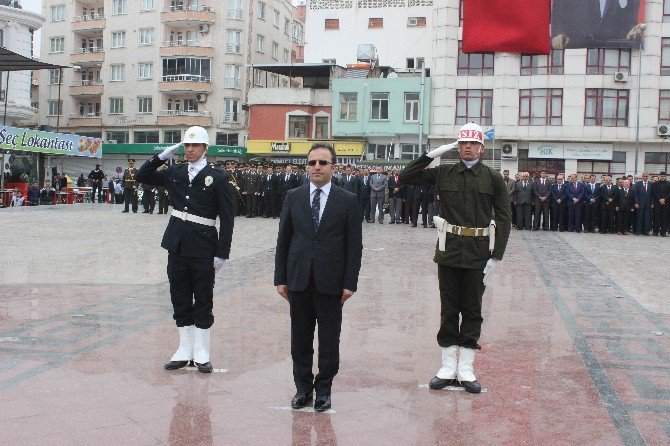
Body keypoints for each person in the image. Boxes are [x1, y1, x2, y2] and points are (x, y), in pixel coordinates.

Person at [399, 123, 512, 394]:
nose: (467, 147)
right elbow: (406, 176)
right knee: (449, 309)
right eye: (462, 143)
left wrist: (496, 257)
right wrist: (431, 154)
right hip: (449, 250)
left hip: (478, 253)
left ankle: (466, 368)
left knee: (472, 310)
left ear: (482, 148)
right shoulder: (444, 172)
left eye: (472, 144)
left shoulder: (493, 178)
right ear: (457, 147)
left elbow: (505, 217)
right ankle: (448, 367)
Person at [136, 126, 235, 373]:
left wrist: (222, 252)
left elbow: (228, 218)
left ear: (205, 148)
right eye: (187, 146)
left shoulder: (218, 177)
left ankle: (201, 352)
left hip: (203, 246)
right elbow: (141, 176)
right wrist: (160, 157)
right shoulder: (175, 172)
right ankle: (183, 349)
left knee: (202, 297)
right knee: (179, 296)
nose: (190, 150)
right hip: (177, 244)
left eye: (195, 146)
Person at [274, 143, 363, 412]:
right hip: (299, 279)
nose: (317, 167)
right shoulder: (294, 196)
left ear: (333, 167)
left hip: (331, 283)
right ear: (307, 166)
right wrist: (280, 278)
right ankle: (302, 388)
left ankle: (324, 389)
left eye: (323, 163)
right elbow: (284, 240)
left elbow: (354, 245)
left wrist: (350, 283)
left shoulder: (347, 200)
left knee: (328, 341)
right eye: (312, 163)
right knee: (300, 339)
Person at [551, 0, 642, 49]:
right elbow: (559, 11)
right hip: (573, 51)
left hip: (610, 53)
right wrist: (558, 33)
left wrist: (628, 35)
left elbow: (628, 22)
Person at [652, 172, 669, 236]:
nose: (662, 177)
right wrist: (659, 199)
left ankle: (663, 232)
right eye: (661, 176)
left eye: (664, 176)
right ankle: (655, 232)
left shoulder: (668, 183)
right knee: (657, 218)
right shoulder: (655, 184)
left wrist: (664, 199)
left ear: (666, 176)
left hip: (666, 203)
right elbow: (654, 192)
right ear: (659, 176)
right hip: (657, 203)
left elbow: (669, 193)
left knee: (665, 218)